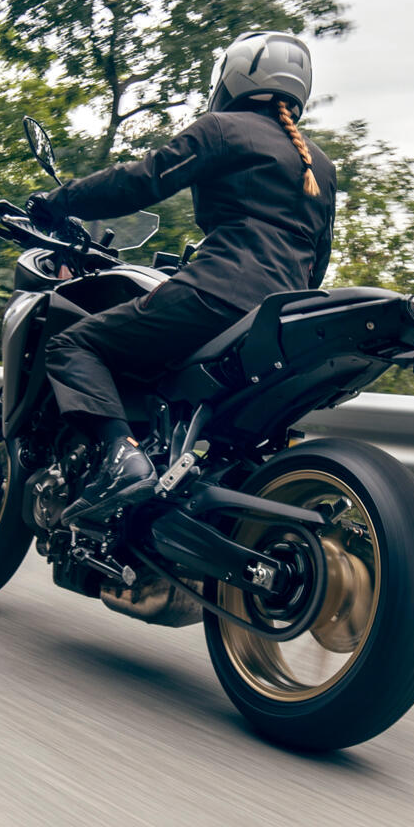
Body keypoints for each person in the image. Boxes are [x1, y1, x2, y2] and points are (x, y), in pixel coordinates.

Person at [28, 30, 338, 515]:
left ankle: (120, 459)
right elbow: (316, 262)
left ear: (236, 75)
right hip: (280, 323)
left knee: (73, 343)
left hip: (216, 298)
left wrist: (58, 201)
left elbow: (142, 181)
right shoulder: (319, 164)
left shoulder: (222, 128)